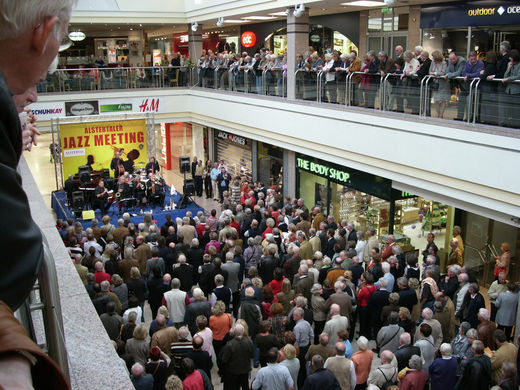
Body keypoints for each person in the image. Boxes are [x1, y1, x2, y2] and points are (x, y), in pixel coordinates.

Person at [220, 324, 255, 390]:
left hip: (233, 371)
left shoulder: (229, 345)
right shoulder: (249, 342)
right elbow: (252, 355)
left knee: (234, 387)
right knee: (245, 385)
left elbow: (224, 359)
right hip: (245, 369)